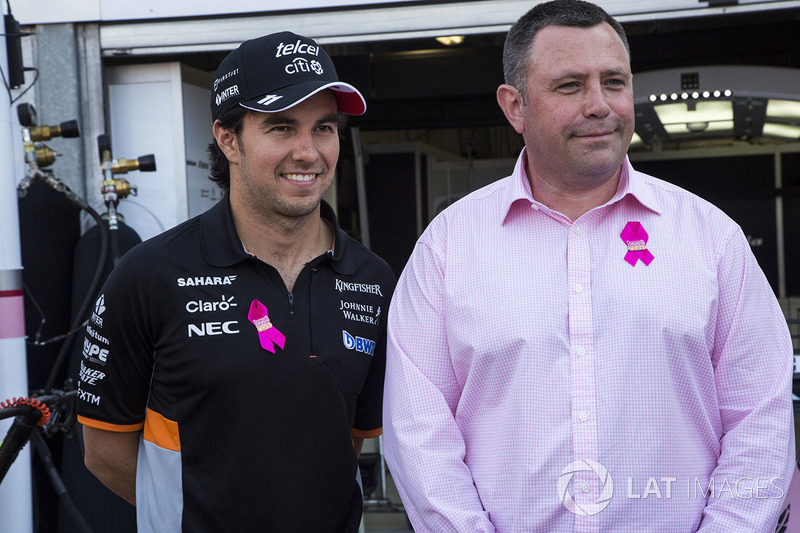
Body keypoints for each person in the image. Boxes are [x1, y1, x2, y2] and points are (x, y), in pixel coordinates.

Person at [382, 1, 795, 531]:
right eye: (570, 86)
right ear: (515, 107)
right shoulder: (448, 249)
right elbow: (418, 433)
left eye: (614, 82)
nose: (599, 105)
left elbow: (760, 421)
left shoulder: (711, 240)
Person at [76, 31, 395, 532]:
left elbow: (346, 440)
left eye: (324, 128)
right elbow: (105, 452)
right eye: (282, 127)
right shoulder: (148, 275)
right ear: (229, 139)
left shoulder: (373, 279)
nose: (308, 152)